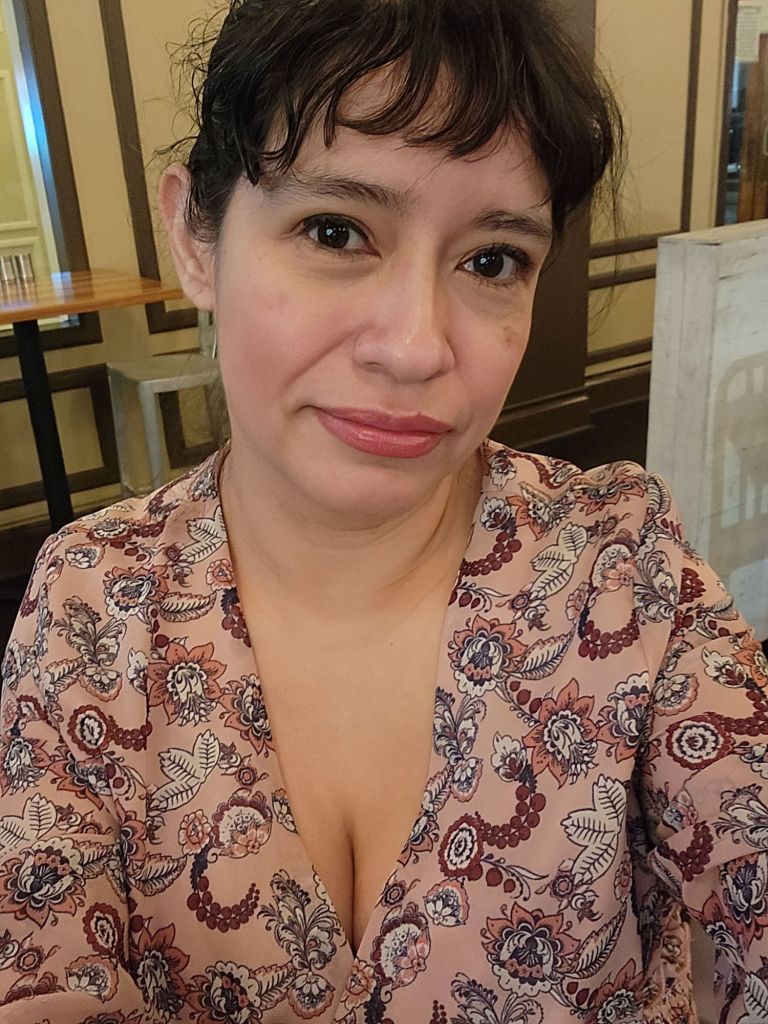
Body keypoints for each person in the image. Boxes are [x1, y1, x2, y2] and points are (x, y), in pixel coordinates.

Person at [1, 0, 766, 1021]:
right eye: (336, 231)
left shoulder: (624, 570)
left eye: (492, 260)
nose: (415, 347)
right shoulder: (91, 601)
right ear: (196, 236)